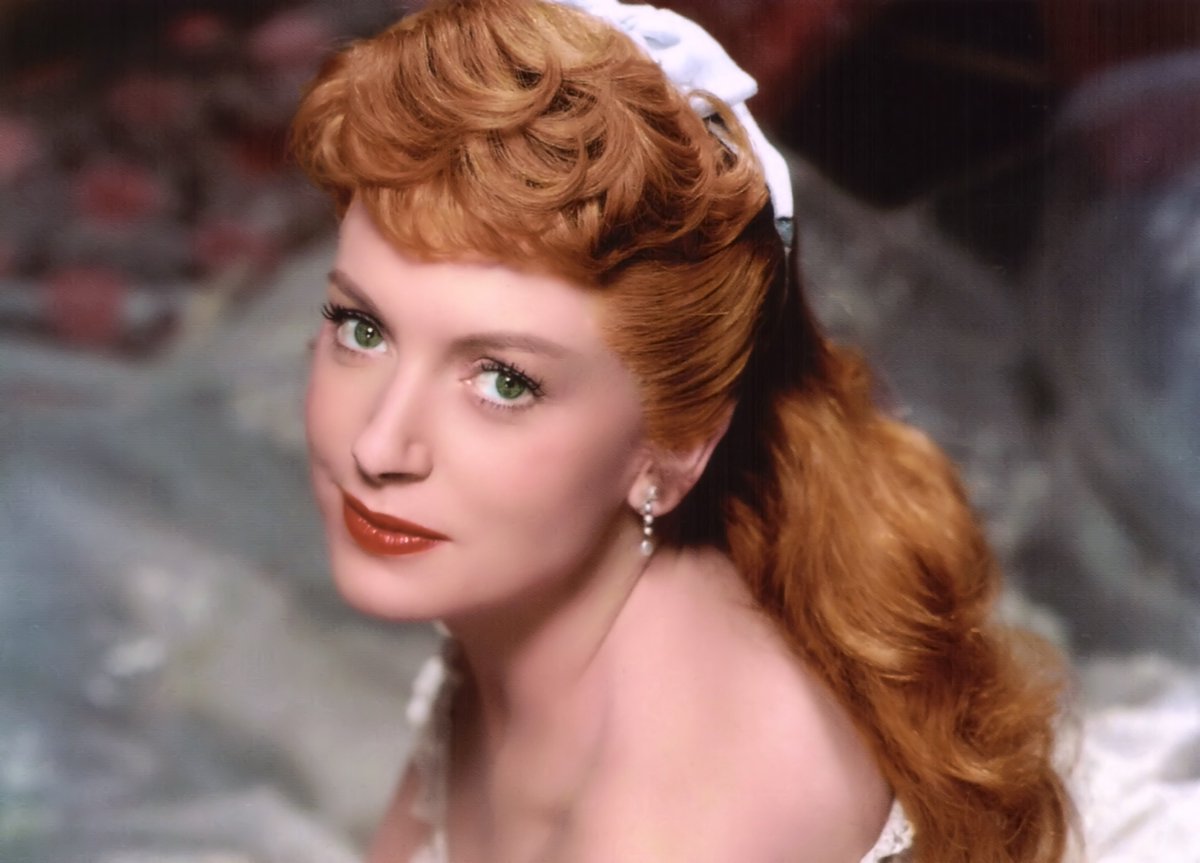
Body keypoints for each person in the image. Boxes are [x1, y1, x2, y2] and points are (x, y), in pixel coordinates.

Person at [289, 0, 1073, 860]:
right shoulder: (536, 604)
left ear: (676, 444)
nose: (378, 447)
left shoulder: (682, 822)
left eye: (504, 381)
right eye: (362, 329)